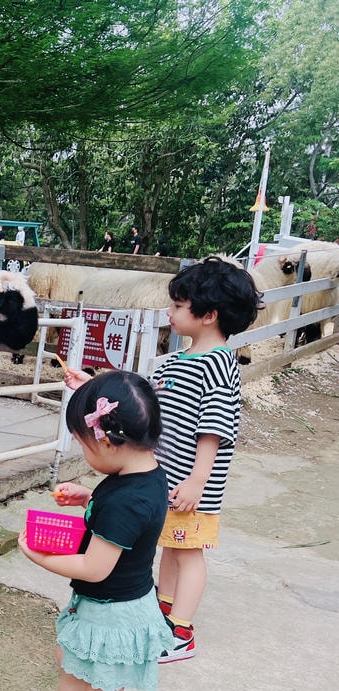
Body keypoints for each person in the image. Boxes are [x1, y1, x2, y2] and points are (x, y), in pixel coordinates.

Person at [66, 257, 261, 663]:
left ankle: (181, 632)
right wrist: (95, 386)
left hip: (191, 485)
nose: (169, 312)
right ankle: (164, 612)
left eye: (178, 305)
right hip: (165, 481)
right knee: (170, 547)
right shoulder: (176, 361)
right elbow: (143, 405)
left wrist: (197, 481)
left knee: (187, 553)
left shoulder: (218, 365)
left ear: (208, 315)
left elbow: (214, 428)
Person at [11, 370, 174, 691]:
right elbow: (124, 518)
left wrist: (39, 557)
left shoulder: (126, 500)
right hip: (109, 603)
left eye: (83, 445)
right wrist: (88, 498)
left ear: (108, 442)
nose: (82, 453)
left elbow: (95, 567)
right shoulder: (143, 474)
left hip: (113, 610)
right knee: (73, 665)